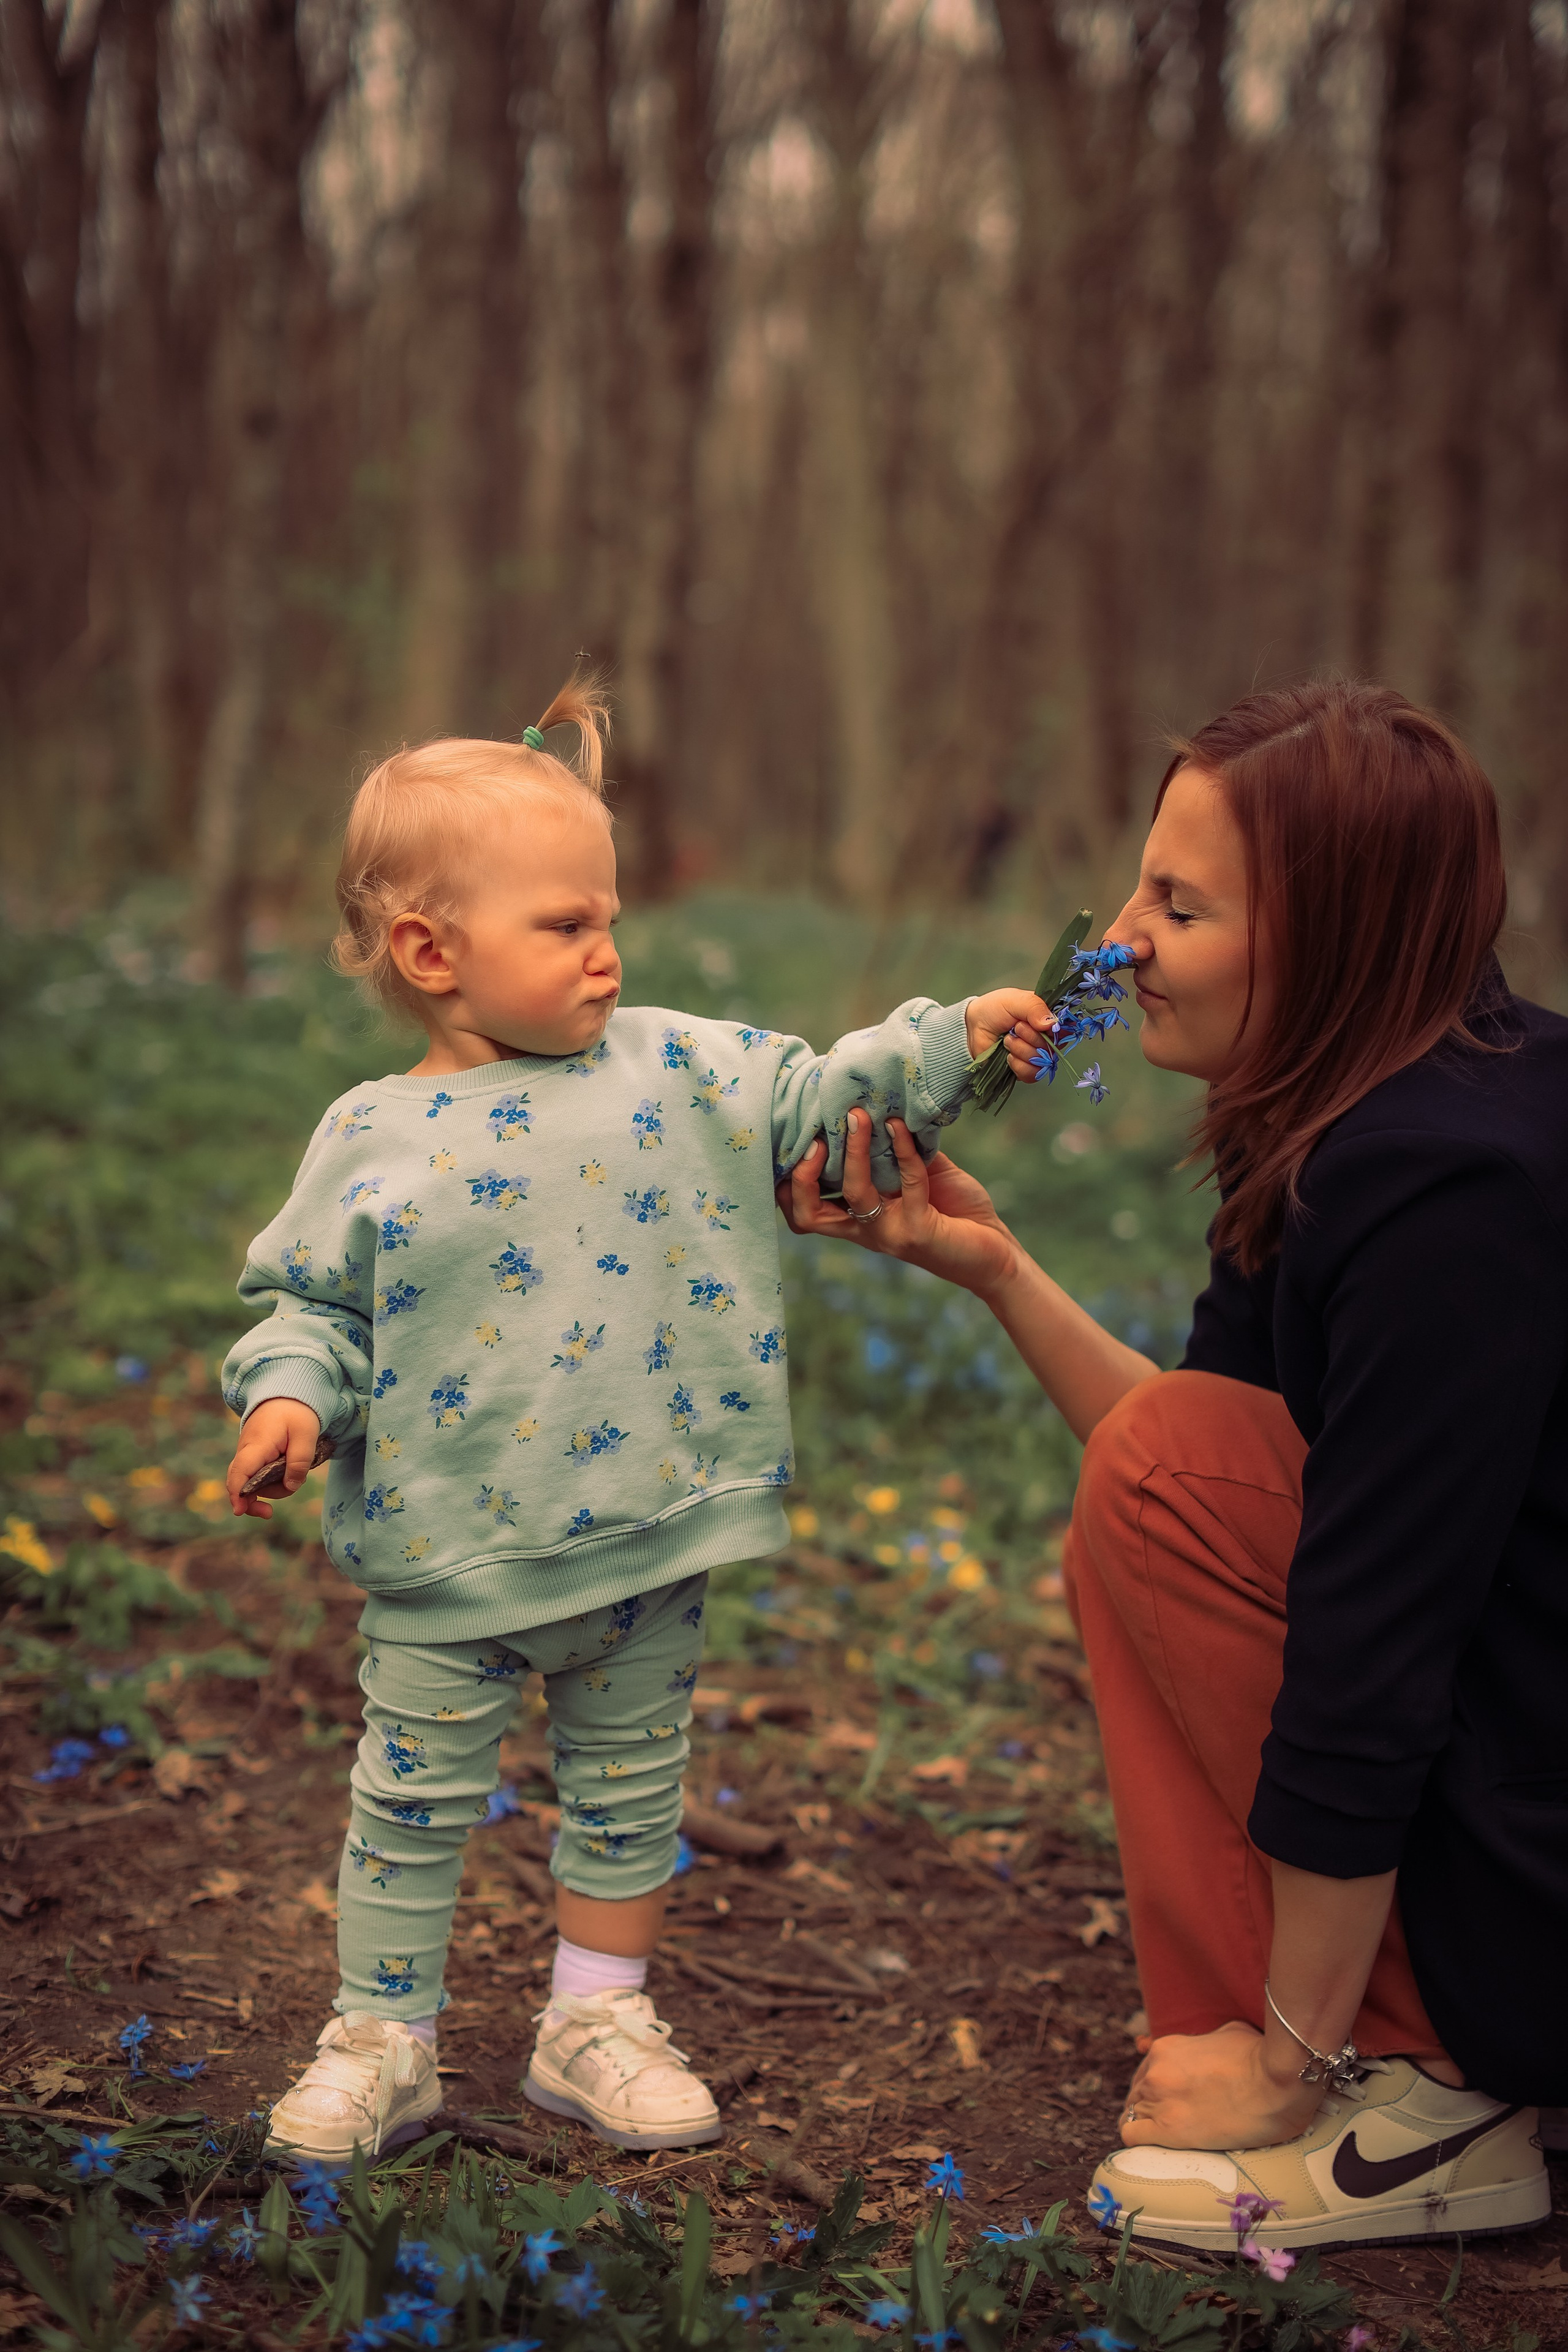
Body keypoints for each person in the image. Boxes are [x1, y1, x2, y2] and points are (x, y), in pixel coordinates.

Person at [780, 679, 1565, 2253]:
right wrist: (994, 1270)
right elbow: (1204, 1463)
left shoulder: (1450, 1196)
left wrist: (1291, 2056)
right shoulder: (1375, 1108)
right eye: (1137, 884)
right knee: (1150, 1470)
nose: (1112, 943)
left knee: (1158, 1483)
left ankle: (1416, 2094)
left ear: (1334, 941)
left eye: (1177, 906)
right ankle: (1377, 2032)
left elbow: (1370, 1641)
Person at [221, 674, 1046, 2166]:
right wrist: (288, 1400)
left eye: (607, 917)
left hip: (653, 1526)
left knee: (628, 1792)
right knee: (409, 1807)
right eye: (565, 925)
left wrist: (951, 1047)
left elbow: (818, 1096)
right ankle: (383, 2033)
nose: (608, 951)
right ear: (430, 949)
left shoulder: (683, 1067)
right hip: (448, 1549)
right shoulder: (372, 1135)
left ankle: (594, 2020)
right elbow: (312, 1310)